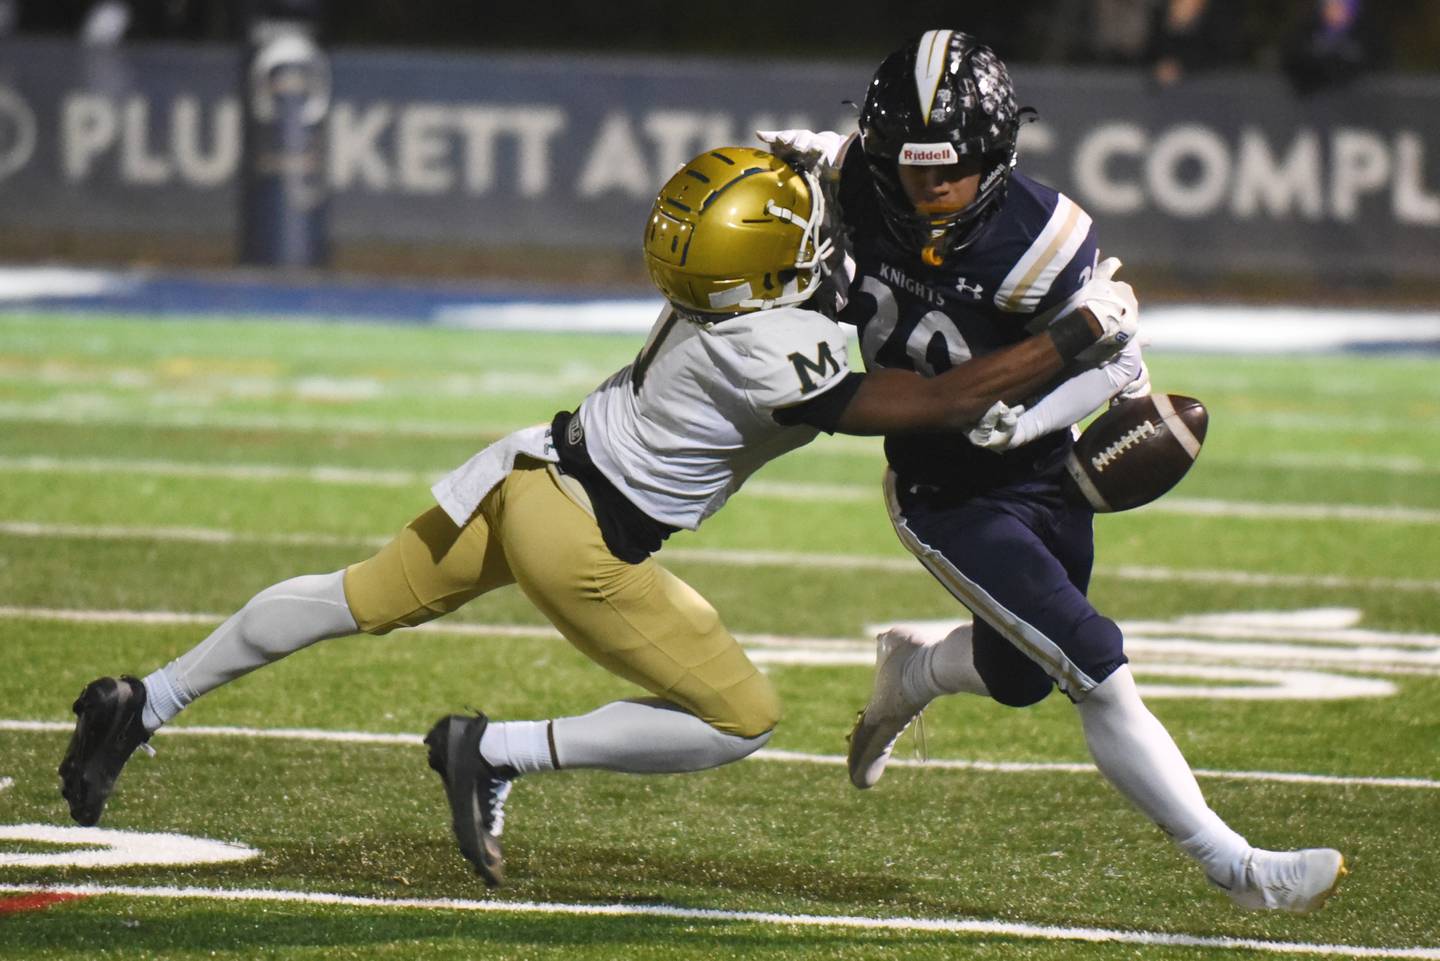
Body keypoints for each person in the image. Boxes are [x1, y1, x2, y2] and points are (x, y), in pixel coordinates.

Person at [58, 145, 1137, 887]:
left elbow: (804, 218)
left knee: (353, 595)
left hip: (531, 471)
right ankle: (496, 751)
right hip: (586, 541)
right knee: (740, 719)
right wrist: (1077, 336)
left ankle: (142, 699)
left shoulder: (725, 286)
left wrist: (824, 158)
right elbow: (944, 398)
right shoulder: (773, 346)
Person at [758, 28, 1345, 913]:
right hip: (944, 491)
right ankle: (1239, 867)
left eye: (948, 170)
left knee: (1022, 672)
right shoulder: (856, 183)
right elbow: (830, 173)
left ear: (994, 154)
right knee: (1093, 662)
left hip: (1046, 472)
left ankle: (910, 672)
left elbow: (1116, 368)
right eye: (910, 169)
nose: (928, 190)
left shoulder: (1041, 235)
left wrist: (1024, 420)